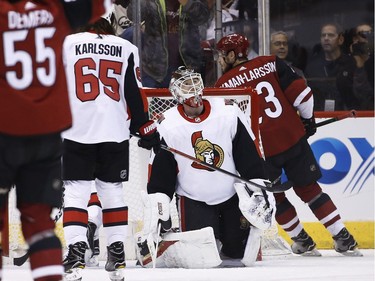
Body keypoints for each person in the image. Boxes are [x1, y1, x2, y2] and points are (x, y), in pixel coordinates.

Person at [215, 33, 360, 256]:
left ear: (233, 55)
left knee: (275, 196)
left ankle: (302, 241)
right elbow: (303, 95)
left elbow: (227, 127)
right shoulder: (270, 63)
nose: (220, 60)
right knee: (311, 190)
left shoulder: (222, 85)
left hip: (261, 152)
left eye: (222, 55)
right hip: (292, 138)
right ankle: (343, 238)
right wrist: (307, 120)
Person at [0, 1, 113, 281]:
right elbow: (103, 5)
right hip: (47, 131)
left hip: (5, 129)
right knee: (39, 223)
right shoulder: (56, 10)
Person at [138, 66, 276, 268]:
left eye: (195, 81)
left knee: (237, 253)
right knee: (200, 258)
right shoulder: (168, 125)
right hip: (193, 198)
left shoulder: (228, 112)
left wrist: (257, 185)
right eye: (186, 85)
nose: (193, 88)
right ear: (176, 92)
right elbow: (162, 173)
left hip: (231, 196)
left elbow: (248, 155)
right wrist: (159, 204)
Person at [61, 15, 160, 281]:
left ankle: (75, 253)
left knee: (76, 194)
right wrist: (144, 127)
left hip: (76, 131)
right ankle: (116, 255)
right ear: (109, 25)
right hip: (114, 133)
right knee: (112, 193)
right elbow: (134, 92)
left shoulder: (67, 43)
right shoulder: (126, 47)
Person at [127, 0, 210, 88]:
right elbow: (133, 15)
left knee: (187, 101)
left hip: (188, 68)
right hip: (154, 70)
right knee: (151, 101)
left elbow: (203, 18)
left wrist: (187, 3)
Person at [305, 23, 360, 111]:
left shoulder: (351, 64)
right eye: (323, 35)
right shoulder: (312, 67)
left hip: (348, 117)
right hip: (320, 117)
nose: (326, 38)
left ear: (341, 39)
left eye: (331, 35)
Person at [350, 23, 374, 110]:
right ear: (355, 39)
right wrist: (358, 60)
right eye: (363, 34)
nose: (368, 38)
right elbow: (359, 93)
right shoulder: (348, 64)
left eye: (371, 34)